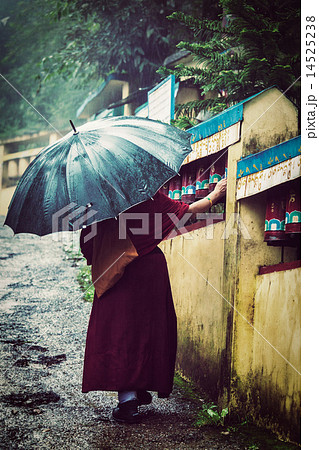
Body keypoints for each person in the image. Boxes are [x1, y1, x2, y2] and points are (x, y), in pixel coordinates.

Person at [80, 177, 227, 424]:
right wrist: (216, 195)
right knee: (147, 330)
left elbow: (88, 245)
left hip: (114, 272)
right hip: (148, 270)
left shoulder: (97, 201)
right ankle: (134, 393)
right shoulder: (144, 193)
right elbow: (187, 212)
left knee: (120, 333)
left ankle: (129, 400)